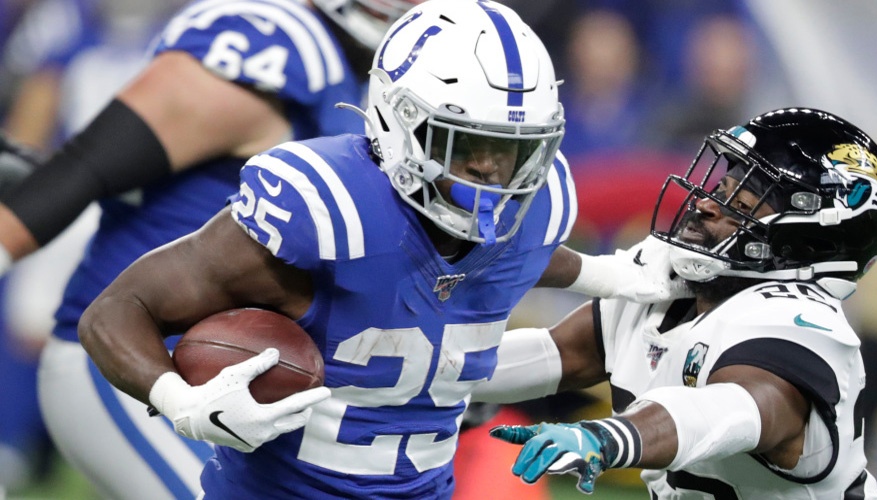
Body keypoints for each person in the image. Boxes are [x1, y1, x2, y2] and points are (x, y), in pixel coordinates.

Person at [75, 0, 674, 497]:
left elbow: (525, 259)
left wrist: (615, 274)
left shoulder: (532, 216)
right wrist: (183, 402)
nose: (493, 176)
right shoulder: (328, 210)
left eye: (515, 151)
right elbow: (116, 311)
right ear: (401, 123)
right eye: (468, 146)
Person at [0, 0, 424, 497]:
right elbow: (81, 170)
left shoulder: (387, 84)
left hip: (271, 381)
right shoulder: (271, 46)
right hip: (141, 362)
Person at [477, 108, 877, 498]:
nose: (705, 204)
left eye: (742, 203)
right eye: (721, 188)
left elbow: (727, 410)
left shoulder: (803, 323)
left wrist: (609, 438)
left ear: (804, 241)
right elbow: (559, 354)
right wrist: (444, 367)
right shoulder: (677, 283)